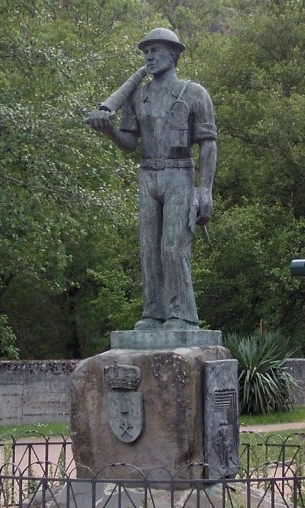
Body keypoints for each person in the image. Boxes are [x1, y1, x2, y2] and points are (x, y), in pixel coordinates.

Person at [88, 28, 218, 331]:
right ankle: (153, 312)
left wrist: (205, 190)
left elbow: (208, 143)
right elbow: (129, 144)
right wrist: (107, 129)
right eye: (145, 51)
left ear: (173, 54)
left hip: (179, 174)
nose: (149, 56)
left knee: (172, 246)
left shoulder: (194, 92)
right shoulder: (138, 95)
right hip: (148, 175)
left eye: (156, 50)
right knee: (148, 247)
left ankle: (181, 316)